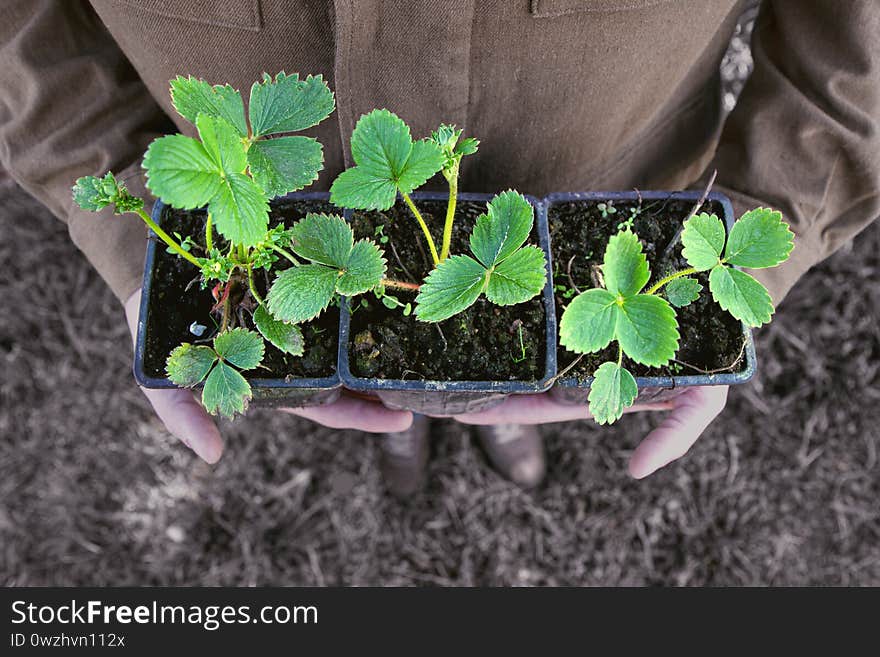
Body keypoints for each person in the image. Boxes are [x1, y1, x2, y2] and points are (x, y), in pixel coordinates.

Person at [2, 1, 877, 496]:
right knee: (378, 350)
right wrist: (133, 226)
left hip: (617, 190)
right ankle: (407, 426)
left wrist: (764, 231)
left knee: (503, 338)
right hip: (277, 229)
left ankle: (458, 424)